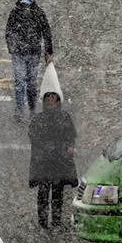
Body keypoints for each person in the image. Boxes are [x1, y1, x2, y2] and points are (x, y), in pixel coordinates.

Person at [28, 88, 78, 229]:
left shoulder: (44, 119)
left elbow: (70, 137)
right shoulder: (52, 119)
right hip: (49, 162)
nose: (50, 103)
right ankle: (45, 221)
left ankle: (53, 220)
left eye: (53, 101)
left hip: (52, 162)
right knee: (46, 193)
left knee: (55, 193)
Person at [5, 0, 54, 122]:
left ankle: (29, 111)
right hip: (24, 52)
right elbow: (9, 31)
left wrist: (48, 51)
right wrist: (11, 45)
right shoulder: (20, 13)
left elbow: (46, 32)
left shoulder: (35, 14)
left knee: (28, 83)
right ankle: (22, 111)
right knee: (22, 82)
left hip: (30, 52)